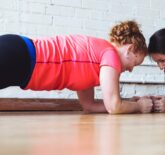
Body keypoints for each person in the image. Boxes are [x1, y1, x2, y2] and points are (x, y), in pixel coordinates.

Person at [0, 20, 153, 114]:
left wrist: (130, 104)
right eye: (134, 63)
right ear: (130, 49)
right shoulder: (110, 54)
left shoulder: (95, 59)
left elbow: (90, 106)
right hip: (19, 57)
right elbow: (114, 106)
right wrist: (138, 107)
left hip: (18, 57)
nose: (131, 69)